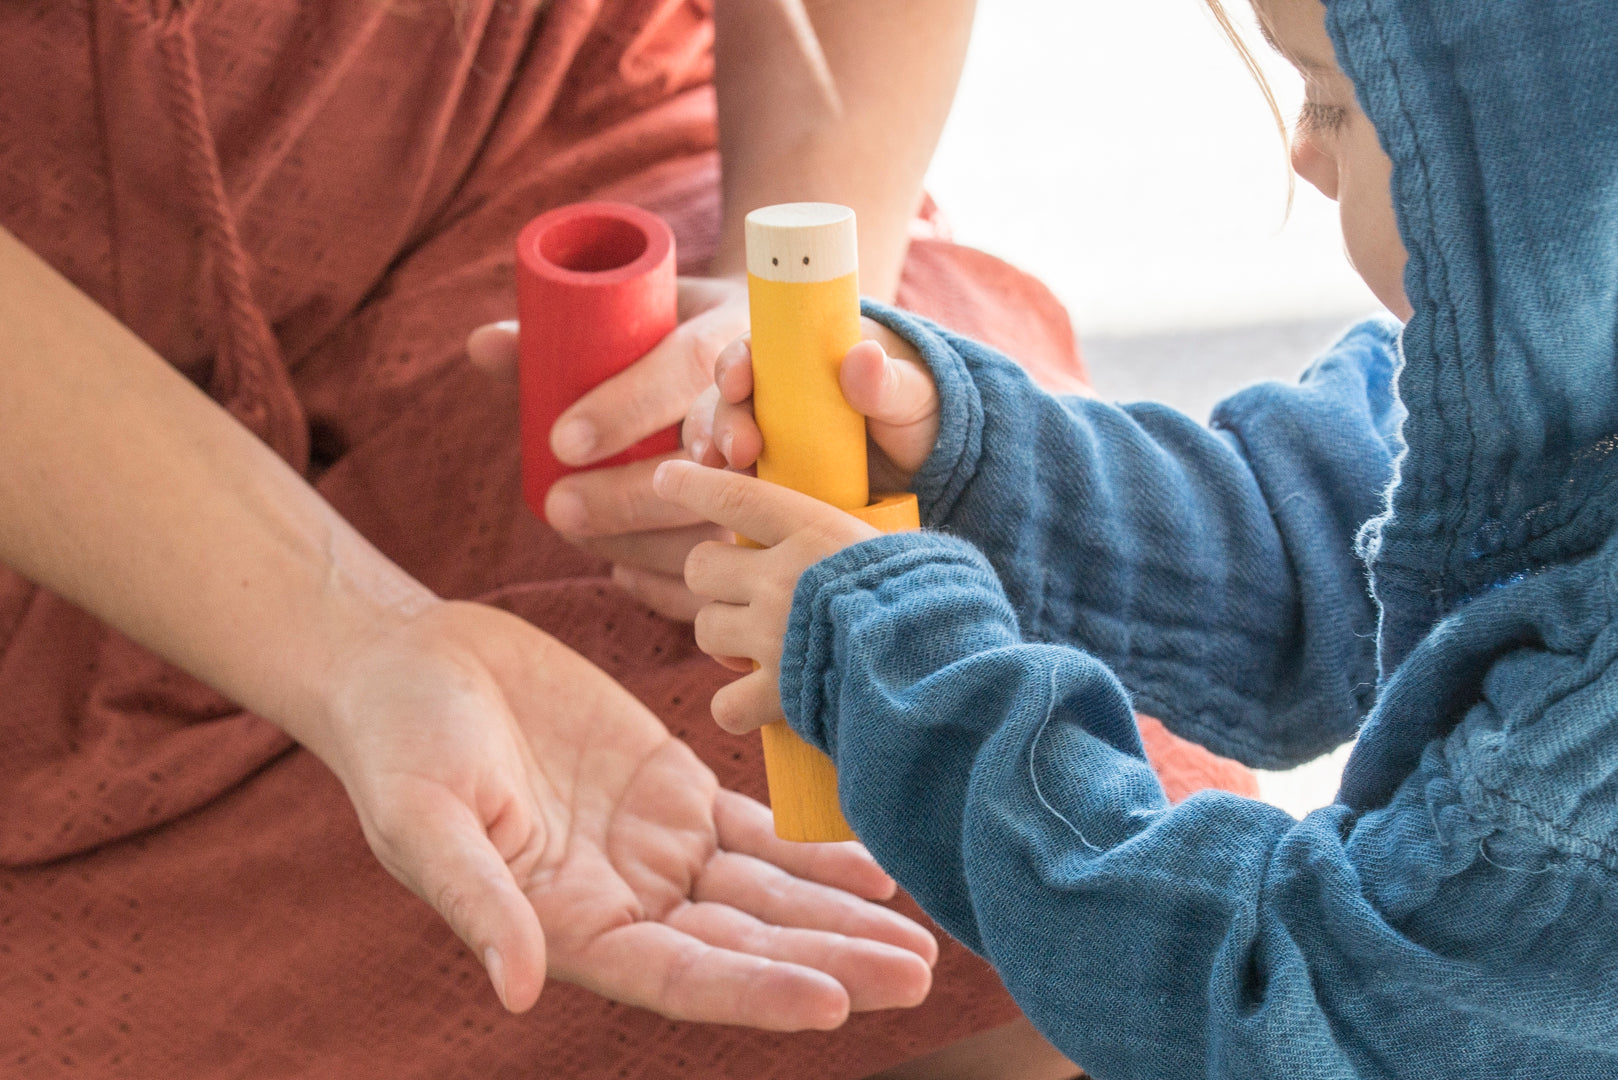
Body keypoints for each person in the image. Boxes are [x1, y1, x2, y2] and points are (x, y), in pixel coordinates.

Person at [0, 1, 1136, 1076]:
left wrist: (771, 318)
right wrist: (361, 640)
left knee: (1054, 868)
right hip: (47, 435)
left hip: (548, 165)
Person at [661, 0, 1618, 1074]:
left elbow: (1278, 997)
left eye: (1333, 102)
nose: (1301, 153)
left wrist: (912, 667)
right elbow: (1296, 552)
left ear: (1551, 162)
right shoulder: (1545, 379)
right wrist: (972, 457)